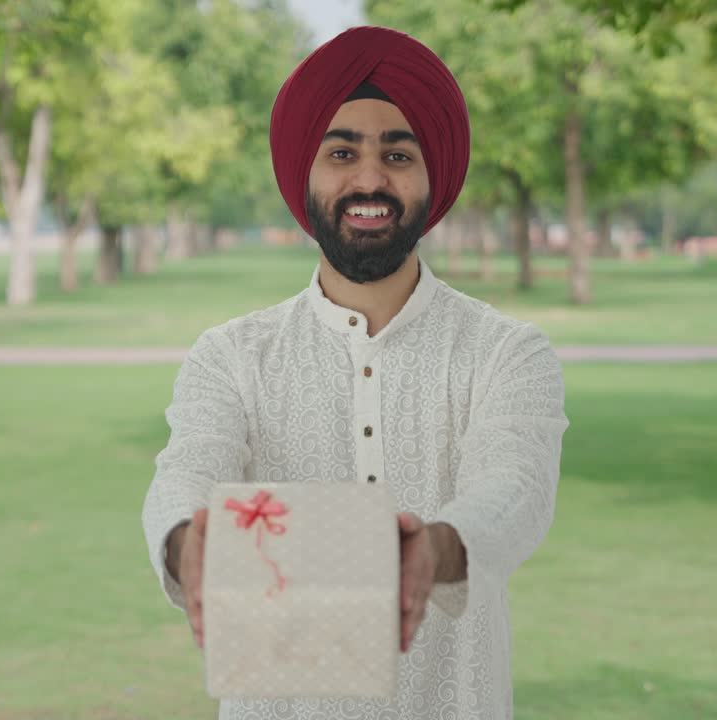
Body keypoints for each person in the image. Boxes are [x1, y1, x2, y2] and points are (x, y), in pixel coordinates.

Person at [142, 25, 569, 720]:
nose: (370, 180)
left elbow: (514, 491)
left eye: (397, 154)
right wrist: (185, 539)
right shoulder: (232, 355)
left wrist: (434, 548)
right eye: (342, 153)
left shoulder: (505, 351)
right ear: (304, 173)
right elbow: (188, 467)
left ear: (432, 175)